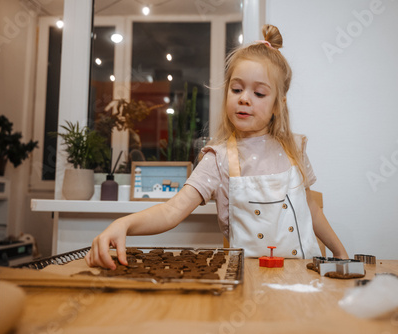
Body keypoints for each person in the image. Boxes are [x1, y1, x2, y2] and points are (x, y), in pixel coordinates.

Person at [85, 24, 348, 270]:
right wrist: (125, 224)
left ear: (278, 104)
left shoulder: (295, 149)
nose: (244, 98)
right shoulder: (218, 158)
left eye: (259, 93)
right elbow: (172, 210)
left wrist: (340, 253)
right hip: (249, 283)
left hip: (303, 279)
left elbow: (311, 208)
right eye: (236, 89)